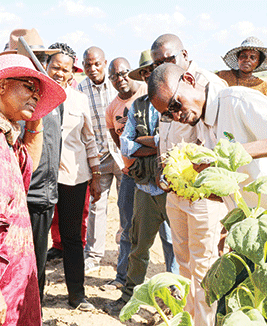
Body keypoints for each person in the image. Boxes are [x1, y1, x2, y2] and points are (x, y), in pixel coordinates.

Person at [148, 63, 267, 262]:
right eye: (168, 114)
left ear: (189, 80)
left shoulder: (236, 101)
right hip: (249, 235)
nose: (177, 116)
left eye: (175, 105)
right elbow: (234, 190)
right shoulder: (203, 126)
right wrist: (194, 188)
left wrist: (234, 153)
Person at [0, 53, 66, 326]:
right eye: (29, 87)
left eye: (38, 93)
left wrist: (35, 120)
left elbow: (25, 167)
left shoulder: (2, 130)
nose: (36, 97)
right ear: (2, 85)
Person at [149, 34, 229, 326]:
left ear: (183, 54)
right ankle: (189, 320)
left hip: (203, 195)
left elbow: (218, 144)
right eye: (157, 63)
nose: (162, 66)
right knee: (183, 266)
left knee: (204, 268)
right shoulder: (164, 89)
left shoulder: (207, 85)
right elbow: (166, 139)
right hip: (176, 192)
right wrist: (163, 170)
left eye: (168, 60)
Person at [102, 53, 178, 296]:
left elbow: (178, 143)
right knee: (138, 247)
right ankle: (129, 295)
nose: (149, 76)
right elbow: (126, 145)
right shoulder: (138, 105)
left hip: (174, 189)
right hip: (145, 188)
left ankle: (174, 296)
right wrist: (159, 144)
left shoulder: (177, 102)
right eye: (145, 72)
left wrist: (148, 143)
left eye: (152, 70)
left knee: (175, 246)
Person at [0, 28, 63, 304]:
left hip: (45, 195)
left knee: (36, 265)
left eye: (41, 57)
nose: (38, 63)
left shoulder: (45, 93)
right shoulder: (8, 98)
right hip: (17, 199)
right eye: (32, 56)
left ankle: (34, 311)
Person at [46, 42, 101, 311]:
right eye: (55, 67)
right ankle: (34, 294)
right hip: (40, 179)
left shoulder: (79, 100)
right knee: (36, 237)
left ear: (72, 72)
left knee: (71, 238)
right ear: (46, 67)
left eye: (65, 69)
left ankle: (76, 295)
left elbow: (89, 139)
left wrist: (97, 174)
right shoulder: (36, 95)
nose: (59, 72)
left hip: (74, 177)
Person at [77, 47, 122, 273]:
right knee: (97, 206)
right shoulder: (81, 88)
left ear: (104, 63)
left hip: (122, 155)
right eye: (87, 64)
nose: (92, 69)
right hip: (99, 156)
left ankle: (124, 253)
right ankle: (93, 256)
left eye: (96, 64)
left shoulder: (117, 83)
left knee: (126, 207)